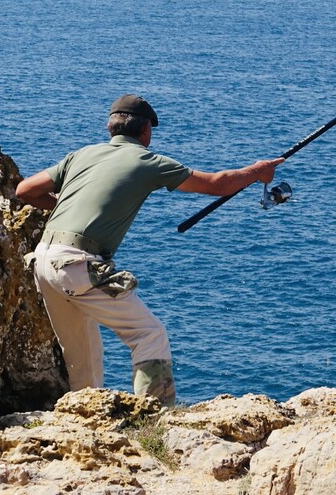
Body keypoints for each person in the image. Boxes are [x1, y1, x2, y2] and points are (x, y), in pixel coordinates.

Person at [15, 94, 283, 406]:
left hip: (45, 259)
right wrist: (258, 171)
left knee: (82, 357)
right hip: (77, 265)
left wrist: (68, 204)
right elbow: (216, 184)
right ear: (146, 132)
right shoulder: (147, 162)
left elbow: (25, 190)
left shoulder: (82, 155)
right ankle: (155, 420)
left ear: (111, 127)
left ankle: (83, 421)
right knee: (149, 335)